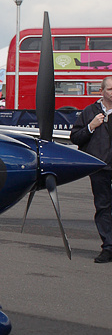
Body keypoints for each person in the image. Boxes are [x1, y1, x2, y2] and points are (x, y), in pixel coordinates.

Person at [70, 76, 112, 262]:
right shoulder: (90, 112)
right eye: (110, 89)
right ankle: (109, 246)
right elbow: (76, 138)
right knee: (103, 207)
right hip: (100, 167)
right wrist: (91, 126)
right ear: (101, 91)